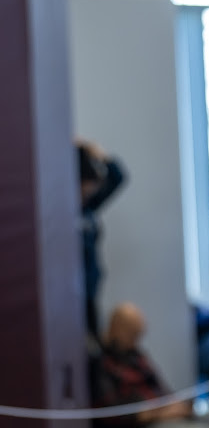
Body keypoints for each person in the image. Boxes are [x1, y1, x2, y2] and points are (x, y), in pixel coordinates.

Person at [77, 138, 127, 338]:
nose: (90, 191)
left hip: (90, 293)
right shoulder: (60, 214)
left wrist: (92, 149)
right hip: (72, 297)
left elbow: (117, 176)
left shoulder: (88, 206)